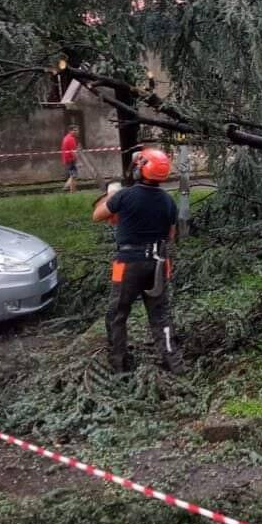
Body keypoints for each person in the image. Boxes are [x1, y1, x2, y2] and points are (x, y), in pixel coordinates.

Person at [92, 147, 184, 374]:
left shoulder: (124, 196)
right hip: (159, 263)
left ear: (140, 169)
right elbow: (171, 235)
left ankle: (118, 365)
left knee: (117, 314)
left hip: (128, 263)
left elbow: (97, 215)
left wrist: (112, 194)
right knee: (160, 316)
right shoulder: (168, 201)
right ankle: (175, 364)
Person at [61, 125, 80, 193]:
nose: (77, 132)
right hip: (70, 160)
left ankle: (65, 187)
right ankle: (73, 191)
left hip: (67, 160)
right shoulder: (71, 139)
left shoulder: (66, 137)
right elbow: (73, 151)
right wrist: (77, 160)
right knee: (74, 176)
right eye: (75, 130)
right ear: (70, 131)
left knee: (73, 175)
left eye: (77, 130)